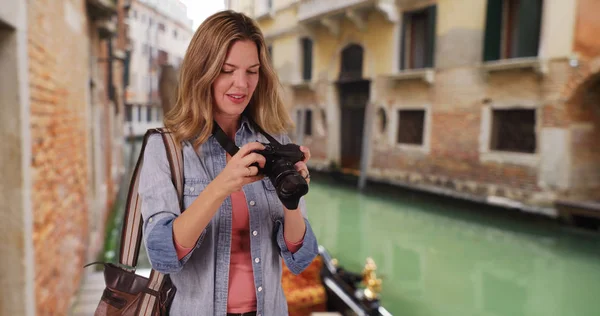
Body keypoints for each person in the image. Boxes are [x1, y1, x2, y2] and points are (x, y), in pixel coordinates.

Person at [138, 10, 319, 316]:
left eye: (252, 71)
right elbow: (162, 254)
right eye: (227, 69)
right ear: (203, 71)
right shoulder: (165, 147)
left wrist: (291, 200)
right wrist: (221, 186)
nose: (242, 83)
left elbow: (299, 259)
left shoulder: (273, 141)